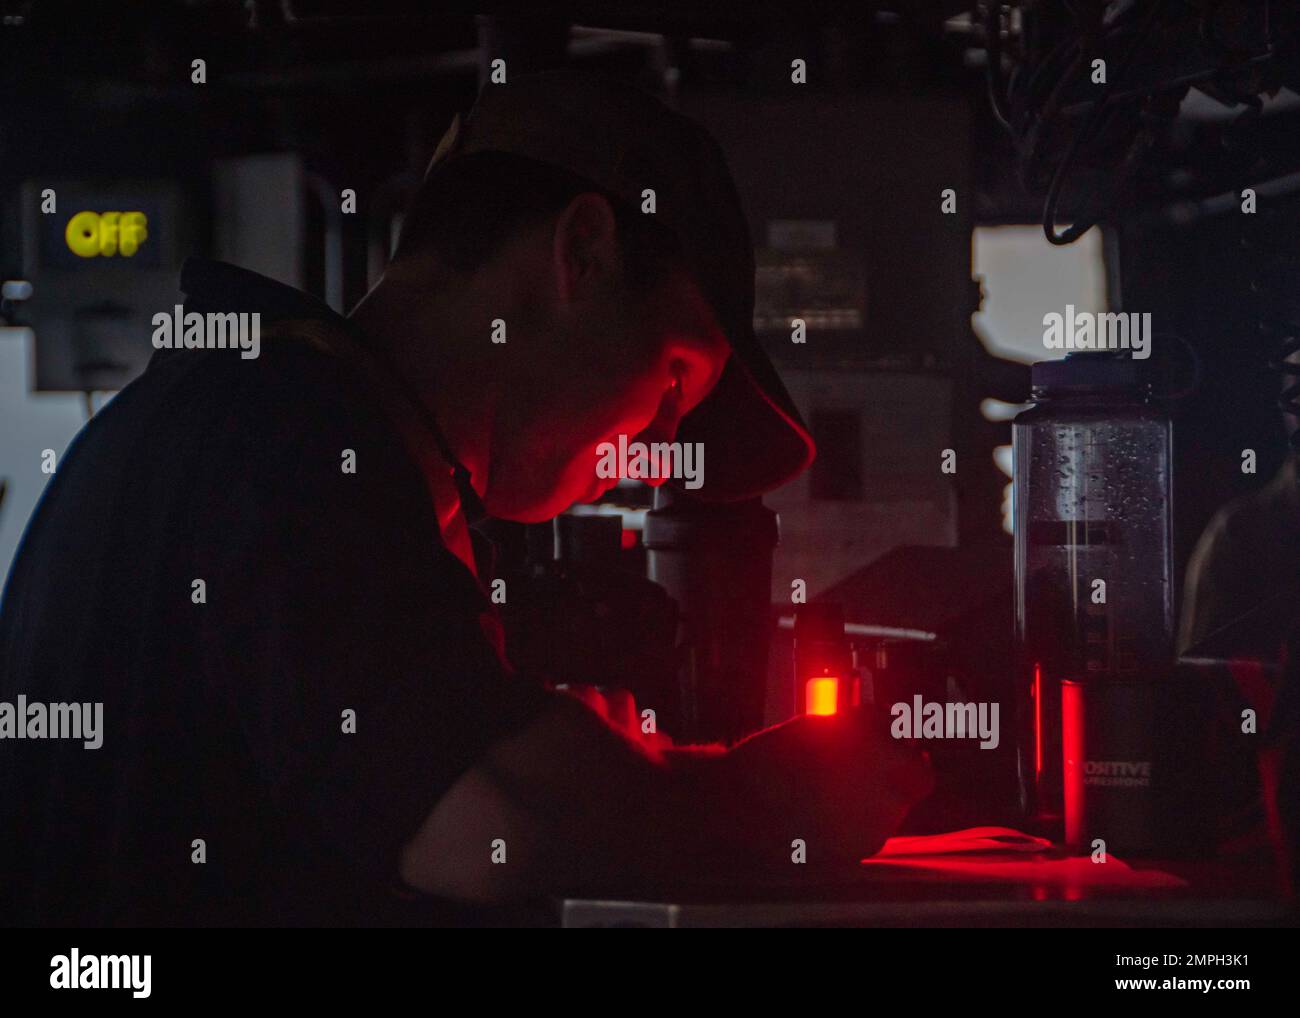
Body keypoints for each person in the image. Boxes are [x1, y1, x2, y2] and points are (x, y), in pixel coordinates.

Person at [0, 71, 931, 925]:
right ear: (584, 254)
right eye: (675, 383)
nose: (658, 456)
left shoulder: (243, 415)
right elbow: (491, 818)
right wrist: (773, 800)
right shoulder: (295, 437)